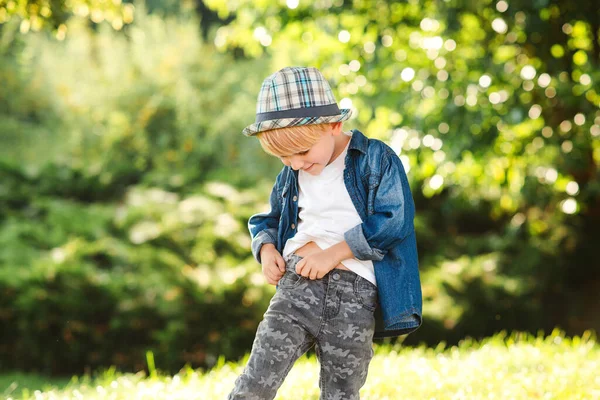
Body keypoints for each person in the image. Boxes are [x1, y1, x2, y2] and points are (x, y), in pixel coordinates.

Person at [228, 66, 422, 400]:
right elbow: (269, 219)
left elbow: (395, 221)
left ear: (334, 125)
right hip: (296, 289)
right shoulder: (293, 173)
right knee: (255, 381)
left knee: (342, 392)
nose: (294, 164)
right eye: (283, 157)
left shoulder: (375, 159)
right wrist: (266, 250)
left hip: (355, 298)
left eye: (301, 152)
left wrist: (333, 254)